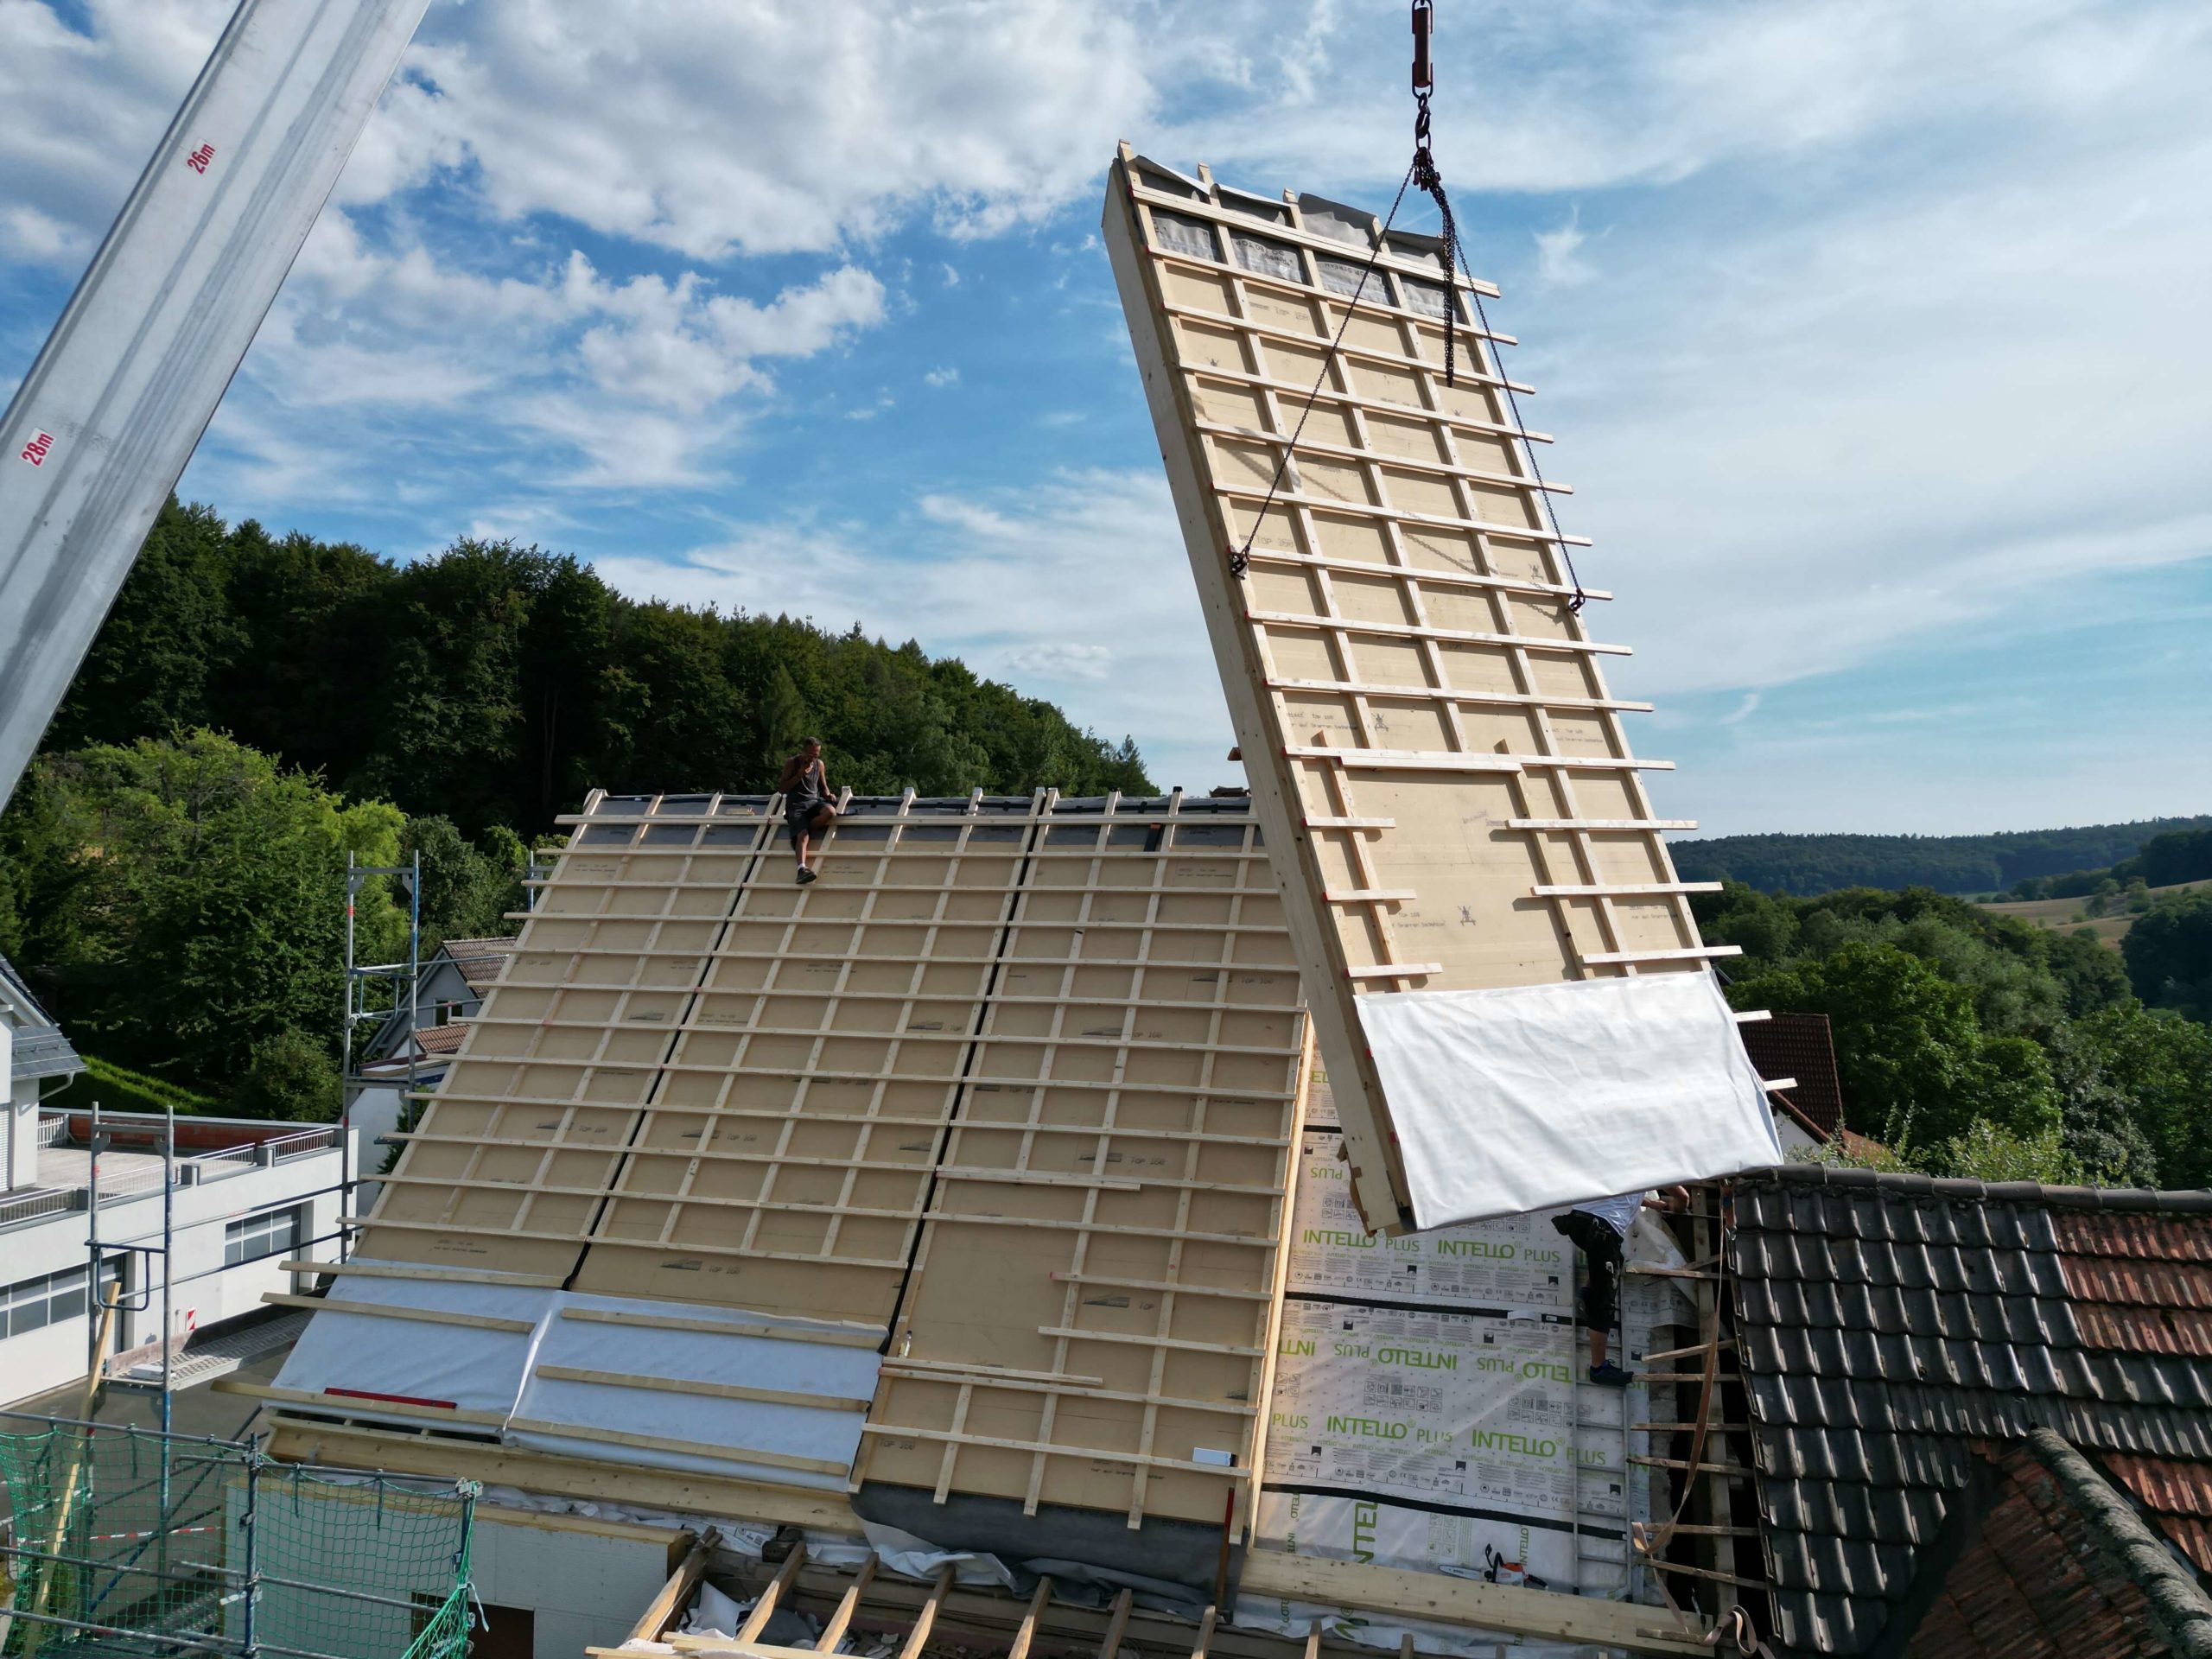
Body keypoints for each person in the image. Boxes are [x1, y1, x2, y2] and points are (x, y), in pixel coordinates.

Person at [1551, 1185, 1689, 1386]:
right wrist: (1678, 1208)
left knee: (1612, 1262)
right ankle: (1599, 1369)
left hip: (1579, 1222)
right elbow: (1682, 1196)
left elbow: (1622, 1196)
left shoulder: (1622, 1159)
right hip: (1602, 1230)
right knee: (1604, 1301)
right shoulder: (1655, 1164)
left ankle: (1588, 1293)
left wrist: (1651, 1203)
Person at [778, 738, 835, 883]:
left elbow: (822, 786)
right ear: (803, 751)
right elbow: (783, 788)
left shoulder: (819, 765)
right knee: (803, 836)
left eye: (816, 755)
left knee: (830, 812)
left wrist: (828, 795)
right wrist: (799, 775)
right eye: (810, 755)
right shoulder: (792, 763)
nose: (813, 758)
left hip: (813, 802)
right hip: (796, 804)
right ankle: (801, 869)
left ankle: (800, 831)